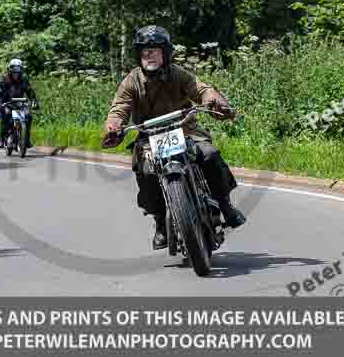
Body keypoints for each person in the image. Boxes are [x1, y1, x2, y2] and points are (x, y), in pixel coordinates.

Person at [100, 25, 246, 250]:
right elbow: (119, 108)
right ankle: (160, 222)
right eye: (145, 51)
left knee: (209, 154)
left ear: (165, 53)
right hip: (149, 137)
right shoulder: (131, 81)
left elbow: (201, 89)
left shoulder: (178, 74)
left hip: (185, 130)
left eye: (155, 50)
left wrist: (215, 101)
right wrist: (113, 126)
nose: (149, 55)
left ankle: (225, 205)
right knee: (145, 171)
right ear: (138, 55)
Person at [0, 59, 39, 149]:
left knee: (28, 117)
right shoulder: (4, 78)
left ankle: (26, 140)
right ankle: (1, 139)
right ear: (10, 70)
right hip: (6, 102)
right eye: (14, 71)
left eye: (18, 71)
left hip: (20, 103)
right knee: (6, 115)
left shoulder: (24, 79)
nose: (16, 73)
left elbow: (30, 91)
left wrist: (34, 101)